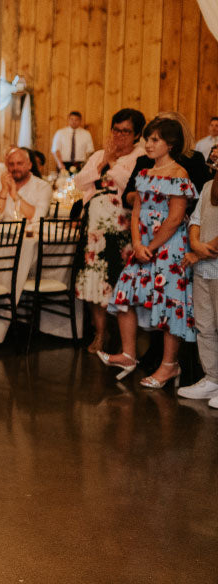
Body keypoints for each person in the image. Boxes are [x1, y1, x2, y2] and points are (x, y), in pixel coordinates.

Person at [101, 117, 197, 389]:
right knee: (125, 294)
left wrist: (151, 247)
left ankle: (169, 365)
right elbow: (137, 211)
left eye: (155, 140)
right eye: (148, 139)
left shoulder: (179, 174)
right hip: (142, 245)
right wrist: (137, 243)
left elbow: (176, 218)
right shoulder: (144, 173)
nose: (149, 144)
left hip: (168, 247)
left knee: (170, 303)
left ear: (171, 144)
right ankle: (129, 354)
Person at [74, 108, 146, 353]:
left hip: (121, 229)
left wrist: (113, 162)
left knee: (118, 283)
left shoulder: (141, 157)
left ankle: (123, 341)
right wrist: (104, 160)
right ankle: (100, 334)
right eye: (116, 130)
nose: (119, 136)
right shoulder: (98, 155)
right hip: (95, 231)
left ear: (136, 135)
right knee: (95, 282)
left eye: (126, 131)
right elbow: (80, 182)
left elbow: (128, 185)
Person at [178, 156, 218, 407]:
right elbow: (195, 220)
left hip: (209, 260)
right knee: (205, 325)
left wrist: (200, 251)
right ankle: (213, 377)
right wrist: (194, 243)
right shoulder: (208, 186)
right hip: (204, 266)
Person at [0, 147, 52, 222]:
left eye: (19, 163)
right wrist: (4, 190)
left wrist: (15, 195)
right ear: (7, 166)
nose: (15, 168)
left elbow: (38, 217)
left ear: (29, 165)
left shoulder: (43, 186)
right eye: (11, 164)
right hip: (1, 231)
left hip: (30, 231)